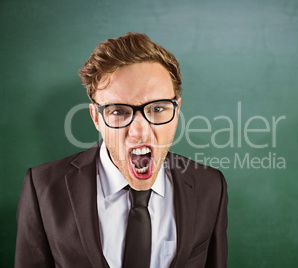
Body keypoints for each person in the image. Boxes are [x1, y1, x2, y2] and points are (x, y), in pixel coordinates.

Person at [15, 33, 228, 268]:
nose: (140, 132)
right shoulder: (43, 187)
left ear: (176, 111)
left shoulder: (211, 186)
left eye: (158, 108)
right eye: (118, 111)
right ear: (96, 117)